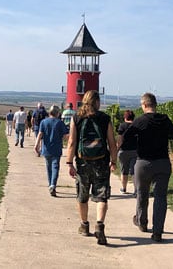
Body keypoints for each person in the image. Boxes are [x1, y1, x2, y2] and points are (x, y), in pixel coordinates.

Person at [121, 93, 173, 242]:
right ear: (155, 104)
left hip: (143, 162)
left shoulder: (139, 121)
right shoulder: (164, 119)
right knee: (160, 197)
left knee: (142, 194)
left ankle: (142, 222)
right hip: (162, 162)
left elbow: (127, 137)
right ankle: (158, 231)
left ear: (144, 105)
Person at [66, 90, 117, 245]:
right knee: (102, 196)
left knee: (82, 195)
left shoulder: (77, 118)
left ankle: (84, 225)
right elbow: (112, 142)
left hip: (83, 162)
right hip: (101, 161)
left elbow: (72, 142)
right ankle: (100, 225)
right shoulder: (105, 118)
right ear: (97, 102)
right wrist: (113, 160)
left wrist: (69, 162)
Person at [34, 105, 69, 197]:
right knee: (55, 167)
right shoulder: (60, 123)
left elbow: (40, 134)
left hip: (46, 148)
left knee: (49, 167)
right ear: (58, 113)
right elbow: (66, 136)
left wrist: (36, 145)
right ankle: (53, 185)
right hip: (56, 148)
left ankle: (51, 185)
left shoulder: (44, 122)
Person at [116, 110, 137, 194]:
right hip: (135, 151)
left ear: (125, 117)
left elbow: (120, 140)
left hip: (124, 151)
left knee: (124, 170)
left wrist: (116, 150)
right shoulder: (136, 126)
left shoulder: (122, 126)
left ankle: (124, 188)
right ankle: (136, 190)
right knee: (134, 171)